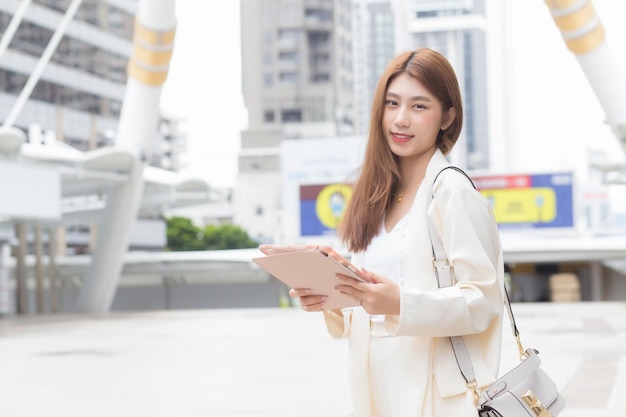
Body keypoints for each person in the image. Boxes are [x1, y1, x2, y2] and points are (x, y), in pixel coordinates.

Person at [289, 48, 505, 417]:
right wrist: (334, 292)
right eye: (392, 103)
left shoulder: (451, 190)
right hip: (376, 382)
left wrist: (400, 303)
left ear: (447, 117)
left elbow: (483, 300)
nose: (401, 119)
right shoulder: (376, 195)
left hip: (437, 391)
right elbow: (373, 306)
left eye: (419, 107)